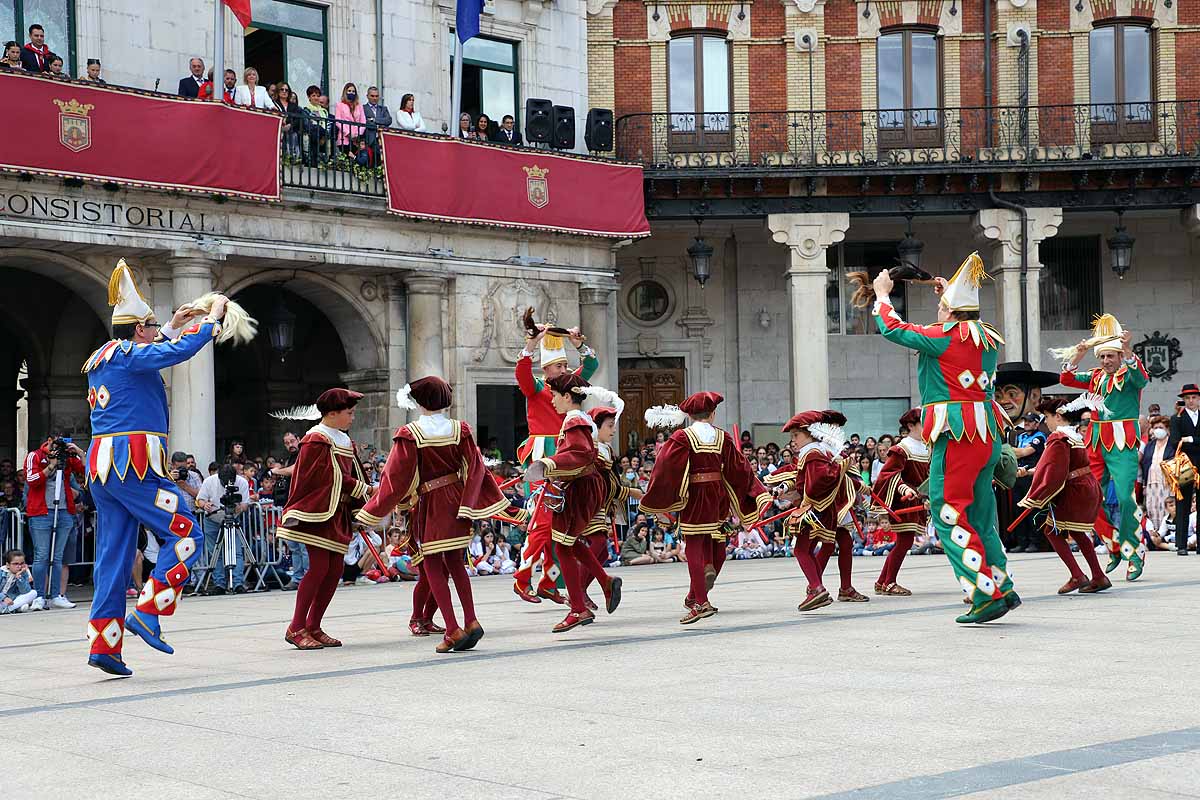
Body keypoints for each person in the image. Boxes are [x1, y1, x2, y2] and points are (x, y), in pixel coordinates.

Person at [83, 260, 229, 676]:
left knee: (112, 558)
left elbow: (152, 349)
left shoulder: (102, 357)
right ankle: (149, 610)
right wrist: (210, 322)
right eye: (150, 328)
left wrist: (171, 324)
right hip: (133, 466)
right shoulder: (130, 356)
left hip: (104, 471)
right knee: (186, 530)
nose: (153, 333)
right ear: (139, 331)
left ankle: (105, 646)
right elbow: (177, 352)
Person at [872, 252, 1018, 623]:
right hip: (985, 434)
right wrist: (950, 295)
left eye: (941, 306)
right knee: (982, 515)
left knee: (948, 510)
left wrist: (882, 295)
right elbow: (956, 330)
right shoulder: (986, 338)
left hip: (957, 433)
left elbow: (894, 329)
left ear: (951, 313)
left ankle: (983, 592)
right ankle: (1000, 583)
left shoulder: (945, 337)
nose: (937, 311)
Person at [357, 376, 508, 652]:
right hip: (457, 501)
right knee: (456, 564)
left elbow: (394, 479)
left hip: (431, 501)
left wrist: (370, 512)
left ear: (418, 401)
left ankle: (452, 629)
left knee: (432, 566)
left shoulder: (410, 433)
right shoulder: (460, 429)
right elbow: (476, 469)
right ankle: (472, 620)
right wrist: (470, 502)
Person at [640, 392, 770, 623]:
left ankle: (700, 602)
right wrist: (755, 492)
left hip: (695, 497)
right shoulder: (723, 437)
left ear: (689, 415)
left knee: (694, 547)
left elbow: (664, 467)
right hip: (718, 496)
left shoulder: (682, 437)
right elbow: (741, 469)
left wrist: (660, 498)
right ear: (712, 413)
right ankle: (695, 594)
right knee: (717, 542)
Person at [523, 374, 626, 632]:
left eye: (556, 396)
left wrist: (550, 463)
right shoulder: (580, 420)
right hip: (582, 488)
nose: (553, 401)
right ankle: (603, 581)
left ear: (568, 397)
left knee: (563, 547)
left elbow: (580, 454)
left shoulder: (574, 420)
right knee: (569, 543)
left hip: (579, 489)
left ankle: (578, 608)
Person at [276, 389, 373, 650]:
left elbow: (355, 474)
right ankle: (296, 627)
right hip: (318, 512)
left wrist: (362, 501)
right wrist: (363, 489)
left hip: (337, 512)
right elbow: (321, 477)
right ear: (332, 413)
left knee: (334, 571)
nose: (353, 418)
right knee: (319, 568)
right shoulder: (316, 439)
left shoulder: (343, 440)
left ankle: (314, 625)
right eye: (349, 413)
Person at [1057, 313, 1149, 578]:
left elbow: (1141, 378)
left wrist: (1128, 347)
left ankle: (1135, 552)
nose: (1106, 361)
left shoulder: (1130, 374)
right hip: (1095, 441)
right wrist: (1080, 351)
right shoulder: (1096, 376)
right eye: (1102, 357)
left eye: (1111, 356)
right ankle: (1113, 543)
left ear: (1120, 356)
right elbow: (1066, 378)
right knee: (1087, 497)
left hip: (1122, 441)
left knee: (1124, 498)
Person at [512, 325, 599, 603]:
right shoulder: (537, 386)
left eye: (564, 364)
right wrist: (531, 345)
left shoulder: (570, 385)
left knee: (557, 523)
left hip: (565, 451)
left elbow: (592, 364)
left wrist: (578, 344)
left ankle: (549, 582)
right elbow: (522, 376)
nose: (563, 369)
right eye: (557, 365)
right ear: (546, 368)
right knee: (542, 519)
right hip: (542, 453)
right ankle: (521, 578)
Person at [766, 410, 866, 611]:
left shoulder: (813, 452)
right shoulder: (816, 452)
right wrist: (784, 488)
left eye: (796, 435)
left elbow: (818, 481)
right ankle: (817, 587)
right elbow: (803, 476)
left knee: (802, 549)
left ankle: (816, 588)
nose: (793, 440)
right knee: (814, 548)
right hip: (824, 508)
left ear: (811, 432)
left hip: (816, 509)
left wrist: (848, 477)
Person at [1018, 395, 1109, 593]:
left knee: (1051, 531)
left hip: (1074, 490)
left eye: (1047, 417)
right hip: (1087, 486)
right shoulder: (1075, 435)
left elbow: (1053, 470)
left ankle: (1078, 575)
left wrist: (1035, 496)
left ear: (1058, 417)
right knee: (1076, 531)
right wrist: (1033, 472)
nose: (1046, 422)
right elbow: (1056, 466)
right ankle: (1098, 576)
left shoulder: (1058, 437)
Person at [871, 408, 928, 596]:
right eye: (923, 422)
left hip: (917, 500)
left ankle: (882, 581)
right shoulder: (901, 448)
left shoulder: (926, 446)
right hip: (904, 501)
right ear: (911, 426)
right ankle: (889, 582)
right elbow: (888, 475)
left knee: (903, 542)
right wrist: (904, 488)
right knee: (904, 542)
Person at [24, 436, 85, 610]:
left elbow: (87, 470)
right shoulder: (34, 456)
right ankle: (39, 595)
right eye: (56, 443)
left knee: (58, 557)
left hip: (64, 511)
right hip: (41, 512)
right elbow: (32, 480)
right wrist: (50, 465)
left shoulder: (67, 458)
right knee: (42, 555)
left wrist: (79, 452)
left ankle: (57, 594)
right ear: (49, 441)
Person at [195, 464, 251, 594]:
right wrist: (205, 505)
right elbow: (200, 500)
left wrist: (239, 507)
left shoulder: (242, 482)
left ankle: (237, 583)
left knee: (236, 551)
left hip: (233, 518)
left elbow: (245, 504)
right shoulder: (209, 481)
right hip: (213, 519)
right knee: (215, 552)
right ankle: (219, 583)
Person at [1168, 382, 1200, 554]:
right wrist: (1188, 441)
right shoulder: (1177, 418)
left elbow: (1182, 441)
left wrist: (1190, 440)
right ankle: (1181, 545)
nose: (1191, 401)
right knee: (1183, 503)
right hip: (1184, 464)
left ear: (1199, 399)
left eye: (1194, 397)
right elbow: (1174, 442)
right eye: (1187, 398)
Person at [1011, 413, 1049, 553]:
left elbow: (1024, 452)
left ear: (1036, 423)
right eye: (1025, 421)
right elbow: (1014, 453)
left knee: (1032, 509)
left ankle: (1036, 542)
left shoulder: (1040, 437)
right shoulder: (1020, 436)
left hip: (1032, 476)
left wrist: (1010, 450)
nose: (1027, 423)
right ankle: (1022, 542)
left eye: (1030, 421)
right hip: (1018, 476)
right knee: (1018, 509)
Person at [1140, 415, 1176, 531]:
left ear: (1167, 429)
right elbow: (1145, 464)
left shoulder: (1173, 444)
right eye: (1155, 427)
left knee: (1166, 508)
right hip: (1152, 483)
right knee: (1152, 508)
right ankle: (1154, 536)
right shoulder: (1150, 445)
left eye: (1160, 427)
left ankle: (1166, 534)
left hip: (1167, 483)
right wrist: (1145, 484)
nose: (1158, 430)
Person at [1, 550, 39, 614]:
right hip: (2, 598)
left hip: (12, 600)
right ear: (8, 565)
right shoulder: (1, 572)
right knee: (23, 605)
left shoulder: (23, 573)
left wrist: (19, 577)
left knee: (33, 593)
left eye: (22, 563)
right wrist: (3, 598)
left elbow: (25, 591)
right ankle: (14, 608)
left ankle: (8, 609)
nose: (19, 566)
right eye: (15, 564)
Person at [335, 82, 366, 154]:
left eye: (353, 91)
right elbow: (338, 121)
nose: (351, 93)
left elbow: (363, 121)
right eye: (349, 91)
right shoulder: (340, 105)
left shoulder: (359, 106)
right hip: (344, 138)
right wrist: (348, 133)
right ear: (345, 92)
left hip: (356, 139)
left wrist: (358, 134)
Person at [303, 84, 330, 164]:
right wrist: (322, 134)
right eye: (313, 95)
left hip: (323, 139)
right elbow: (307, 125)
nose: (316, 98)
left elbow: (328, 125)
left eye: (318, 96)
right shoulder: (306, 110)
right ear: (309, 97)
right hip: (313, 138)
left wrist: (324, 137)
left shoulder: (324, 111)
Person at [363, 86, 392, 151]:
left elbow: (389, 120)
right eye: (372, 96)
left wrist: (374, 120)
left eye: (376, 96)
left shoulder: (383, 109)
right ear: (367, 96)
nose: (375, 98)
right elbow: (365, 122)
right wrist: (380, 123)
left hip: (382, 139)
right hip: (369, 140)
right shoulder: (363, 108)